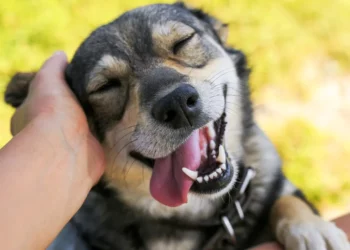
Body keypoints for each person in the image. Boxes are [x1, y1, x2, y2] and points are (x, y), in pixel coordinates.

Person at [0, 52, 348, 249]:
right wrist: (49, 132)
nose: (174, 95)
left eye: (182, 44)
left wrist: (290, 213)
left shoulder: (258, 164)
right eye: (108, 85)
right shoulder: (72, 236)